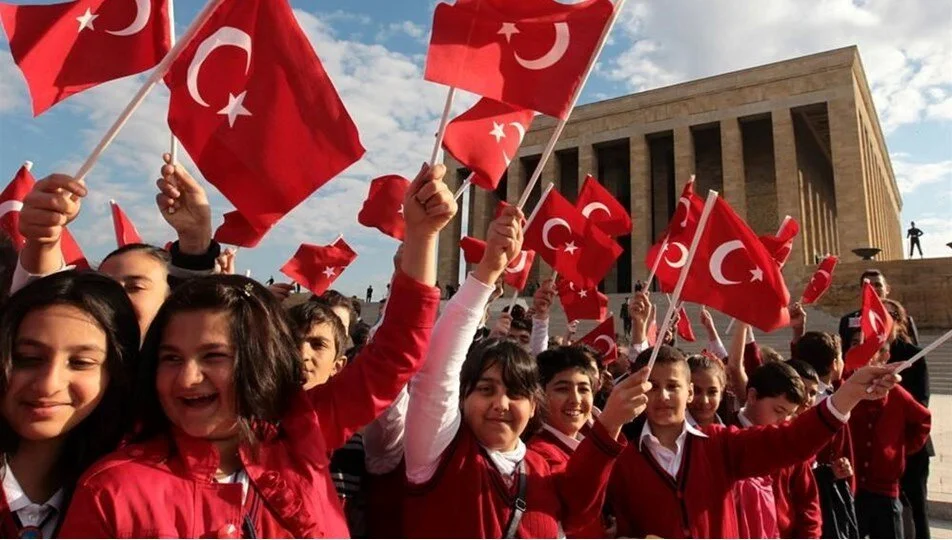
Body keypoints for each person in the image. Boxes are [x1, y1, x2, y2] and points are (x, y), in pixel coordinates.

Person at [58, 161, 456, 538]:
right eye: (171, 358)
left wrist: (422, 237)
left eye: (214, 356)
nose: (187, 377)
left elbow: (395, 355)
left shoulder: (301, 431)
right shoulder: (111, 489)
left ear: (257, 361)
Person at [402, 207, 653, 537]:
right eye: (486, 389)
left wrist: (610, 424)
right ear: (462, 398)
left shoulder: (539, 468)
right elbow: (436, 371)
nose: (501, 404)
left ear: (535, 405)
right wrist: (488, 271)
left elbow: (580, 504)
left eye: (516, 392)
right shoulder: (440, 453)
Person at [606, 344, 903, 538]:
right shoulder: (623, 462)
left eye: (673, 386)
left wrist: (848, 394)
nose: (663, 396)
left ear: (689, 392)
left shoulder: (721, 444)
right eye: (652, 386)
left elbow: (791, 441)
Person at [12, 155, 221, 336]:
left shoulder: (182, 370)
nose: (115, 297)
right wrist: (43, 241)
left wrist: (195, 239)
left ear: (171, 300)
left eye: (135, 287)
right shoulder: (72, 364)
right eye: (104, 287)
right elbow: (40, 309)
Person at [1, 272, 139, 539]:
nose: (48, 385)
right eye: (28, 358)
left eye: (80, 363)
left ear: (116, 373)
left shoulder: (127, 495)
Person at [845, 330, 931, 539]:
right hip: (850, 485)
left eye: (869, 346)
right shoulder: (845, 387)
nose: (861, 349)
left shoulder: (896, 393)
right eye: (855, 343)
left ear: (884, 356)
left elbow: (922, 420)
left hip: (885, 490)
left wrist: (898, 449)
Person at [528, 345, 612, 538]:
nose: (575, 399)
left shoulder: (585, 442)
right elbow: (575, 509)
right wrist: (611, 425)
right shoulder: (536, 456)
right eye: (562, 389)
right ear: (539, 395)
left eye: (583, 389)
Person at [791, 331, 859, 539]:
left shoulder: (833, 392)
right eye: (840, 357)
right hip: (821, 491)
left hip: (832, 485)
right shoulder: (826, 405)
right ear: (833, 364)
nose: (807, 400)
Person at [884, 299, 933, 539]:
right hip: (879, 446)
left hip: (910, 444)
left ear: (898, 321)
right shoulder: (864, 355)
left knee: (916, 505)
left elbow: (922, 402)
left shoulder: (913, 355)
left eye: (887, 315)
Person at [839, 270, 919, 352]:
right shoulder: (847, 321)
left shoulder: (903, 320)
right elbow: (844, 352)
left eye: (878, 285)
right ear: (861, 290)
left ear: (887, 289)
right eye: (868, 285)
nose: (873, 289)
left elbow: (915, 353)